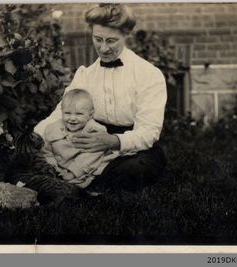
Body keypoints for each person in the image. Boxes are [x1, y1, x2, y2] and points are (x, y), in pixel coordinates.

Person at [35, 3, 167, 192]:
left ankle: (81, 185)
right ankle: (80, 182)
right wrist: (33, 139)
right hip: (90, 144)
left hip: (132, 145)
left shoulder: (148, 75)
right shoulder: (86, 75)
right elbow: (59, 114)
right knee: (52, 157)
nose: (103, 48)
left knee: (133, 169)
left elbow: (149, 131)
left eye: (111, 41)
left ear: (126, 35)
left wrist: (114, 141)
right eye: (98, 39)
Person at [42, 89, 117, 188]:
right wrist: (52, 168)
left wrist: (72, 173)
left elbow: (91, 156)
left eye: (79, 114)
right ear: (61, 112)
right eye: (67, 113)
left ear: (90, 115)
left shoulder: (94, 131)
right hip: (60, 167)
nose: (72, 118)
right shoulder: (52, 129)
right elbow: (46, 151)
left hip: (87, 166)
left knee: (102, 174)